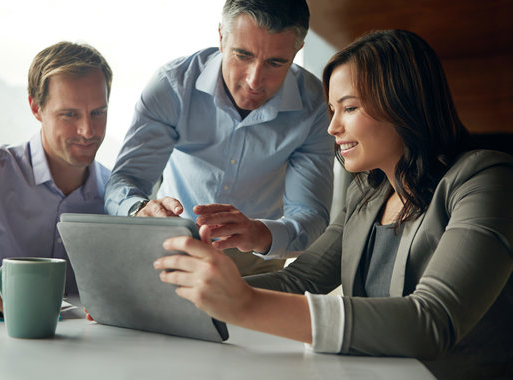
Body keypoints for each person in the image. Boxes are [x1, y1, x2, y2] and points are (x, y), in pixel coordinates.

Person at [153, 30, 513, 378]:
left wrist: (246, 304)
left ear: (404, 103)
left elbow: (432, 320)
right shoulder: (366, 195)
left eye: (350, 108)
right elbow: (301, 278)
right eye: (331, 110)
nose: (332, 127)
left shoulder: (486, 179)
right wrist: (173, 297)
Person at [105, 0, 335, 275]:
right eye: (243, 55)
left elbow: (311, 217)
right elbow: (124, 182)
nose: (254, 81)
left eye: (275, 62)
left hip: (258, 258)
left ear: (298, 50)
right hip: (169, 248)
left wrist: (257, 233)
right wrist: (139, 209)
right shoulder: (172, 86)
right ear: (221, 38)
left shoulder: (315, 107)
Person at [0, 41, 113, 316]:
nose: (87, 130)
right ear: (36, 108)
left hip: (81, 353)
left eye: (98, 112)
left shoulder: (114, 195)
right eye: (69, 114)